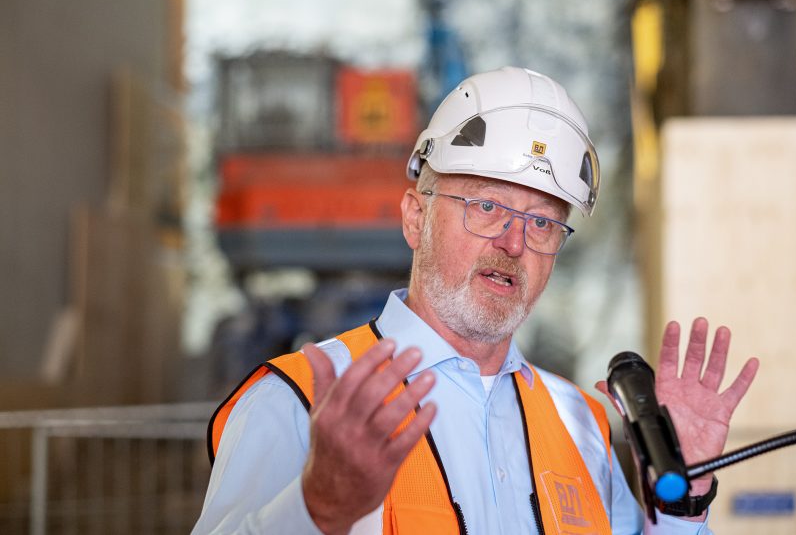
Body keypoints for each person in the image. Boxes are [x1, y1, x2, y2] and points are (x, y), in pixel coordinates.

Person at [193, 67, 759, 534]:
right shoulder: (303, 400)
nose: (514, 242)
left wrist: (683, 504)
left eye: (542, 222)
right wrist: (316, 511)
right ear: (417, 217)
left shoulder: (580, 424)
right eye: (486, 207)